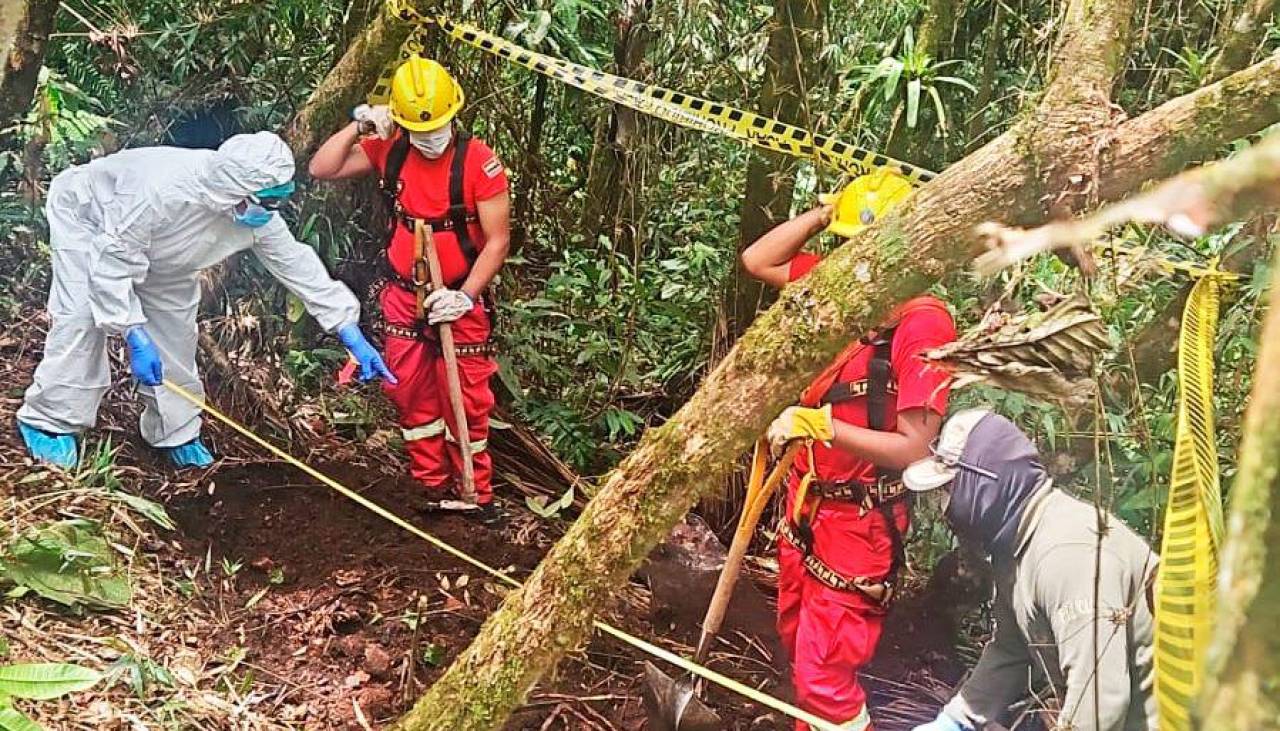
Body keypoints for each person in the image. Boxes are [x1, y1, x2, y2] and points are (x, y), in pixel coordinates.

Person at [16, 131, 391, 470]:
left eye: (280, 199)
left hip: (169, 257)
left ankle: (174, 432)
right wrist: (132, 333)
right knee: (82, 318)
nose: (273, 210)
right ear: (234, 192)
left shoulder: (255, 215)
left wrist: (348, 329)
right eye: (268, 200)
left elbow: (298, 265)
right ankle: (50, 421)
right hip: (91, 223)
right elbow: (112, 264)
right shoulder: (158, 193)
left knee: (176, 337)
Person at [749, 198, 957, 730]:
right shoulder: (848, 288)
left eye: (865, 244)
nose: (852, 257)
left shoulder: (924, 325)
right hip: (807, 507)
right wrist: (823, 215)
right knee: (799, 645)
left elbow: (916, 446)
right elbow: (759, 260)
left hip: (860, 522)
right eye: (846, 244)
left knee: (825, 675)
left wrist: (822, 426)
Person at [309, 57, 511, 525]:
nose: (430, 136)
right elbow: (322, 168)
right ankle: (430, 486)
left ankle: (476, 494)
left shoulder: (479, 162)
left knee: (464, 395)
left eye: (438, 126)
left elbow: (498, 240)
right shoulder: (393, 148)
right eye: (421, 128)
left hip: (460, 296)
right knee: (411, 394)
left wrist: (466, 295)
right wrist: (360, 126)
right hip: (404, 295)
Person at [903, 409, 1158, 731]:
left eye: (948, 490)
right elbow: (1011, 650)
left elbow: (1100, 703)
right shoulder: (1017, 547)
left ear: (983, 484)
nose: (944, 508)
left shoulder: (1066, 554)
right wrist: (955, 721)